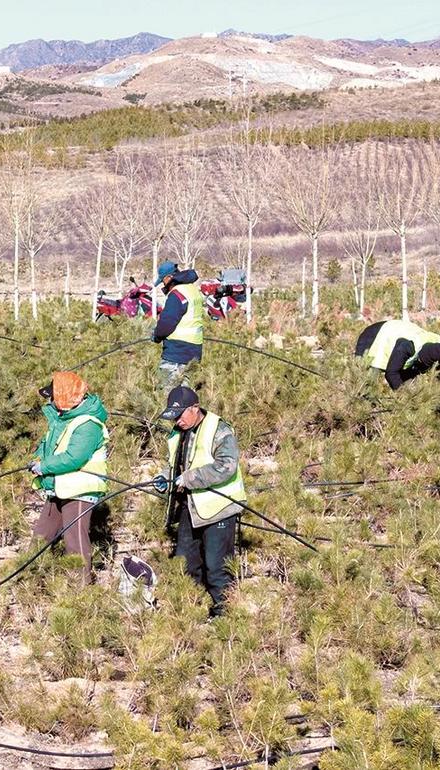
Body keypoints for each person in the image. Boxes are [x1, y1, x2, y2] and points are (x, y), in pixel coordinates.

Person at [160, 385, 245, 616]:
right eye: (173, 417)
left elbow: (227, 466)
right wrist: (165, 478)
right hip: (191, 507)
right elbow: (176, 465)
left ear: (195, 408)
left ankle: (224, 615)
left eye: (180, 415)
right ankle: (191, 613)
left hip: (219, 508)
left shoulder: (219, 429)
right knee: (186, 564)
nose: (177, 421)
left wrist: (190, 478)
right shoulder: (179, 432)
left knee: (217, 567)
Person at [30, 371, 109, 584]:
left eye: (53, 396)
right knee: (40, 538)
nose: (50, 401)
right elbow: (52, 448)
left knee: (75, 542)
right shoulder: (63, 419)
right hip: (59, 486)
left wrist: (44, 466)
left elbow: (74, 458)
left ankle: (80, 591)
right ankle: (29, 583)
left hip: (80, 490)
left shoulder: (88, 424)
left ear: (64, 396)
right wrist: (38, 459)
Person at [151, 261, 205, 389]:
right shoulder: (192, 289)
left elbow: (166, 324)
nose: (163, 284)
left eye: (163, 281)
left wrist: (156, 336)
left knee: (168, 394)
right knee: (187, 395)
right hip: (195, 350)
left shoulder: (177, 294)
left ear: (169, 278)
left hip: (176, 353)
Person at [354, 319, 440, 390]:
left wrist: (438, 395)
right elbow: (391, 374)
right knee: (368, 382)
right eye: (421, 360)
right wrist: (403, 397)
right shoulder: (407, 346)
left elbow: (436, 371)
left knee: (409, 373)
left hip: (395, 333)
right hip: (373, 337)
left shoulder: (437, 347)